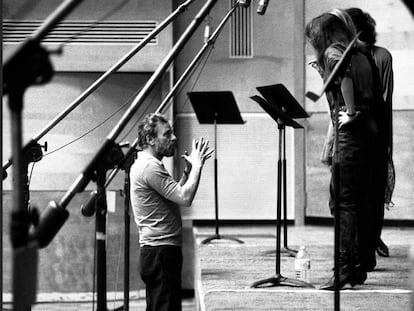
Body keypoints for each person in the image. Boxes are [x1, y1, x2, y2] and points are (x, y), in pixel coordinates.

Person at [305, 9, 382, 290]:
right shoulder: (361, 53)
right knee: (358, 201)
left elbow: (345, 77)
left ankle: (344, 269)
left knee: (343, 203)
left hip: (350, 132)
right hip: (368, 133)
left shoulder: (334, 53)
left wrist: (349, 111)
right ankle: (359, 265)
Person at [130, 113, 213, 311]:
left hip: (159, 252)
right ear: (150, 139)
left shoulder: (148, 164)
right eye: (167, 134)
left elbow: (173, 193)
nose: (174, 138)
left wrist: (187, 172)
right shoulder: (149, 167)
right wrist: (198, 167)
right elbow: (185, 198)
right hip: (161, 253)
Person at [346, 7, 395, 259]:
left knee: (372, 194)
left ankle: (368, 243)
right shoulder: (345, 58)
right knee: (346, 195)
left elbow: (383, 102)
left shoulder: (381, 56)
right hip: (348, 132)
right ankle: (355, 246)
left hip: (371, 133)